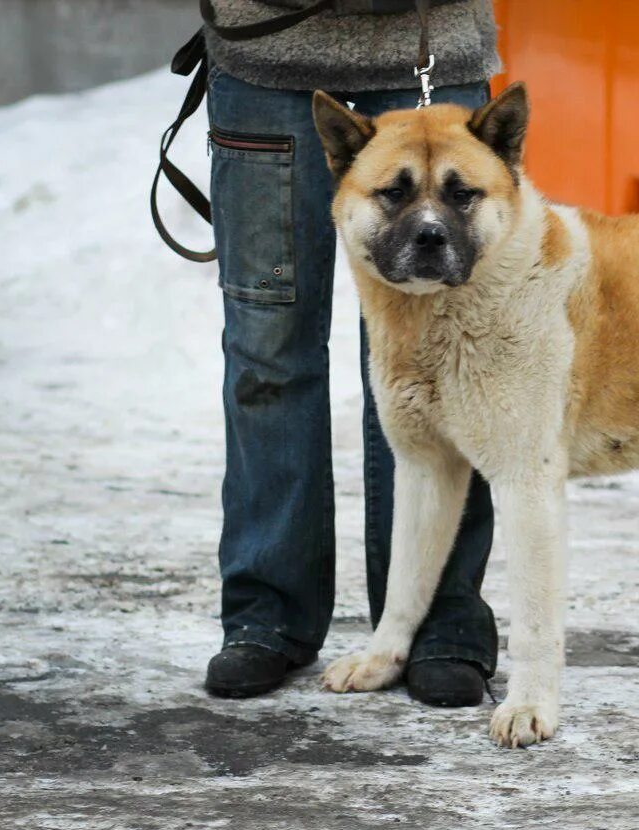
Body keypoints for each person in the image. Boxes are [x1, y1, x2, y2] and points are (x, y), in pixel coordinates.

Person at [199, 0, 501, 705]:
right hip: (266, 65)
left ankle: (436, 623)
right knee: (267, 354)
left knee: (444, 362)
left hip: (430, 60)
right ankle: (267, 614)